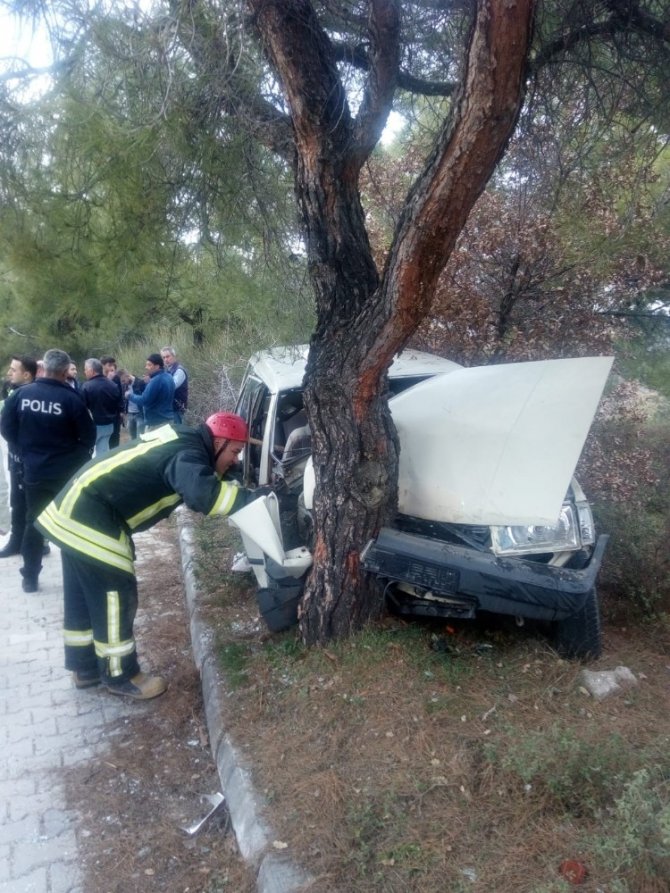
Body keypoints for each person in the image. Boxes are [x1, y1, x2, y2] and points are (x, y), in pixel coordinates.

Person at [37, 412, 266, 699]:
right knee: (114, 594)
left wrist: (228, 477)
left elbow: (201, 474)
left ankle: (84, 668)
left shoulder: (185, 440)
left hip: (72, 510)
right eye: (234, 452)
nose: (236, 460)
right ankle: (120, 675)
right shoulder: (188, 454)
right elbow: (202, 494)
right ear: (218, 442)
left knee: (83, 594)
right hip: (91, 517)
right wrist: (256, 500)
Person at [0, 349, 96, 592]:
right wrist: (73, 462)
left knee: (34, 522)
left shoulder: (21, 395)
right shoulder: (73, 400)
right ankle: (77, 580)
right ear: (65, 372)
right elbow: (87, 439)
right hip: (65, 475)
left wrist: (24, 452)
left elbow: (6, 428)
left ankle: (30, 577)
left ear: (43, 370)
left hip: (33, 471)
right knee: (71, 521)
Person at [0, 355, 37, 556]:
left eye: (13, 370)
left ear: (27, 374)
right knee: (18, 500)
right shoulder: (17, 393)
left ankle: (32, 543)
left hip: (27, 459)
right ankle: (19, 541)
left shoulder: (22, 396)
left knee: (30, 503)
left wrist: (19, 445)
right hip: (22, 458)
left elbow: (5, 428)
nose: (9, 373)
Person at [81, 358, 123, 456]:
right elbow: (119, 404)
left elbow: (81, 408)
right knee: (103, 452)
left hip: (94, 426)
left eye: (85, 369)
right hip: (110, 425)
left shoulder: (86, 386)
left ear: (91, 370)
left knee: (89, 453)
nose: (84, 372)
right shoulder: (113, 385)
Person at [127, 353, 175, 430]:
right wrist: (146, 384)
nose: (146, 367)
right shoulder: (168, 376)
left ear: (157, 366)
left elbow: (144, 400)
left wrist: (129, 395)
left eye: (149, 365)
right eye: (146, 365)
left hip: (157, 424)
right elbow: (157, 395)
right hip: (167, 420)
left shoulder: (156, 380)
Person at [100, 355, 124, 448]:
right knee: (103, 440)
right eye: (109, 365)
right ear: (102, 365)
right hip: (102, 412)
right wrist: (108, 380)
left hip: (115, 413)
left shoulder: (116, 378)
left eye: (113, 365)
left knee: (115, 436)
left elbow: (119, 394)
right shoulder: (97, 377)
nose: (112, 367)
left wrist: (122, 411)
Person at [161, 346, 189, 424]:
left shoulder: (179, 370)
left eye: (167, 356)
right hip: (170, 409)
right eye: (163, 357)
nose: (165, 359)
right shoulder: (167, 371)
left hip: (177, 409)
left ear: (174, 356)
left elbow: (171, 386)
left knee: (177, 433)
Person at [118, 369, 146, 440]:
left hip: (140, 413)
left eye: (124, 381)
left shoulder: (140, 383)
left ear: (127, 376)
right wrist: (123, 411)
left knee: (140, 437)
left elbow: (145, 398)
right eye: (121, 382)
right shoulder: (124, 385)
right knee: (132, 437)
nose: (123, 383)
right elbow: (123, 399)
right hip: (130, 414)